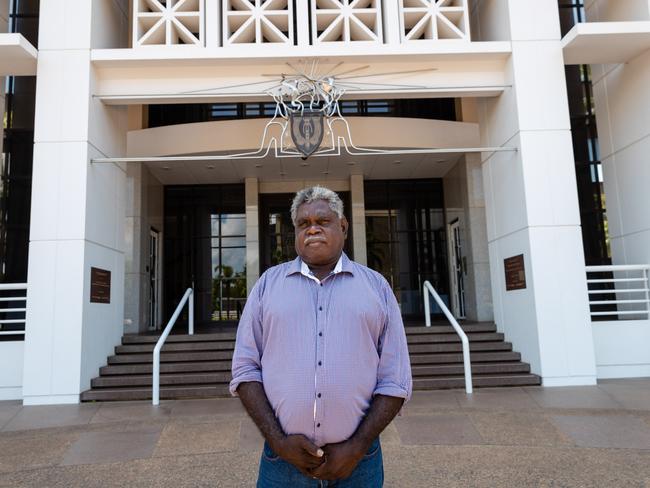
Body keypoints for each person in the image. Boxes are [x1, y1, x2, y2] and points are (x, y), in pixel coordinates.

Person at [230, 186, 412, 487]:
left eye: (322, 221)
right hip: (282, 462)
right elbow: (245, 369)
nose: (312, 229)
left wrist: (358, 445)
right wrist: (277, 441)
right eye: (303, 224)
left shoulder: (376, 288)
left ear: (342, 227)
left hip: (360, 462)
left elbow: (395, 378)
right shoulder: (267, 286)